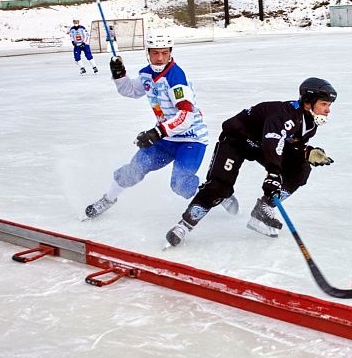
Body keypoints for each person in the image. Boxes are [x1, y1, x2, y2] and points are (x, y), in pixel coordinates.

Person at [164, 77, 337, 247]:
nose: (328, 110)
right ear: (308, 101)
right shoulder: (285, 114)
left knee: (301, 169)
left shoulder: (310, 124)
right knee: (220, 187)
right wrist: (274, 173)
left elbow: (291, 146)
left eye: (328, 105)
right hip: (237, 140)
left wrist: (307, 152)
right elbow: (273, 142)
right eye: (324, 104)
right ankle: (184, 226)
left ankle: (263, 207)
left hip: (259, 146)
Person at [84, 29, 238, 219]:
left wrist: (157, 132)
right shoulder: (147, 74)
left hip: (191, 139)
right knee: (134, 169)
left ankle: (218, 193)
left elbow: (186, 115)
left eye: (164, 53)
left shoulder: (176, 78)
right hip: (166, 138)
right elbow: (130, 91)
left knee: (180, 184)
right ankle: (108, 199)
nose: (159, 58)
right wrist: (119, 74)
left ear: (170, 52)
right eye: (155, 53)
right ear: (147, 52)